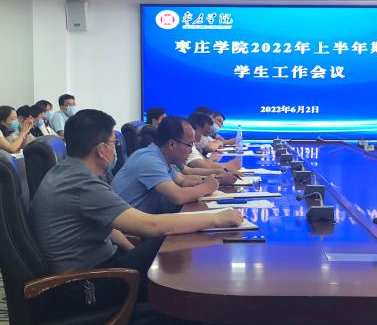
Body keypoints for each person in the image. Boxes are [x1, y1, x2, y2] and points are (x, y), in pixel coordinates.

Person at [29, 110, 243, 303]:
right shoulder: (81, 184)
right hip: (86, 285)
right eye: (114, 143)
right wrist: (216, 218)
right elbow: (152, 225)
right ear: (101, 149)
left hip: (100, 268)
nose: (115, 150)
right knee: (178, 248)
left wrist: (134, 252)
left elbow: (110, 227)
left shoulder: (69, 173)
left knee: (174, 247)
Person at [112, 116, 220, 214]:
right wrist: (207, 187)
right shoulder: (149, 160)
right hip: (128, 228)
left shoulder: (161, 156)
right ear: (172, 144)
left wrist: (203, 182)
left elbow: (181, 181)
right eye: (189, 145)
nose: (191, 150)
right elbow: (178, 196)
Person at [183, 113, 240, 182]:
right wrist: (226, 167)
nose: (205, 137)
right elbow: (199, 165)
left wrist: (223, 171)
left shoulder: (190, 144)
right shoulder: (185, 145)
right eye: (204, 133)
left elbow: (189, 171)